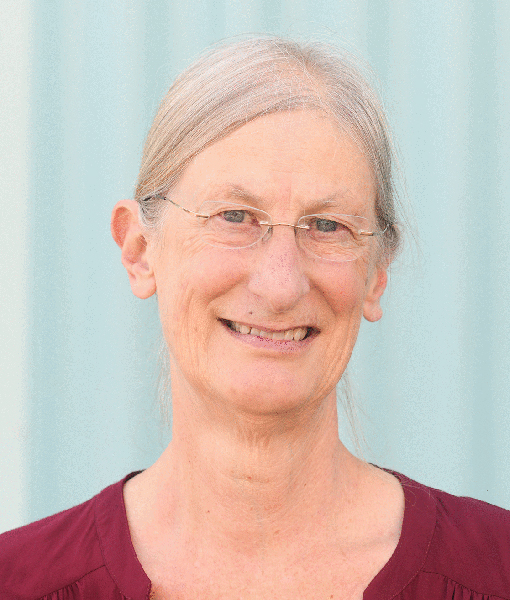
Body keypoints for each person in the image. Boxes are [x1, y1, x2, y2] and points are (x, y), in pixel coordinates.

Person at [1, 34, 510, 600]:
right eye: (235, 216)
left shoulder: (496, 572)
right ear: (140, 251)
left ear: (376, 273)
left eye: (327, 226)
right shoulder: (18, 581)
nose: (280, 285)